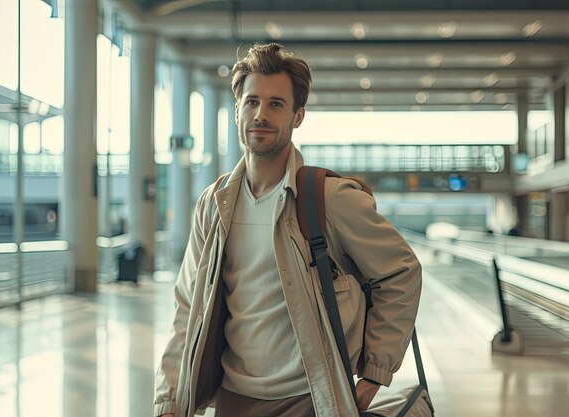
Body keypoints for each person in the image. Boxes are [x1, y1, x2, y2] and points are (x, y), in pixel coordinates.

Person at [154, 43, 422, 417]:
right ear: (236, 111)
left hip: (311, 399)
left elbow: (401, 271)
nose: (261, 114)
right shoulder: (213, 205)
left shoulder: (330, 199)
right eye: (252, 102)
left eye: (276, 104)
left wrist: (374, 374)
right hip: (233, 398)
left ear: (298, 116)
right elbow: (188, 308)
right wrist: (168, 400)